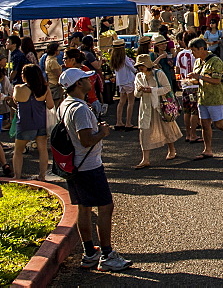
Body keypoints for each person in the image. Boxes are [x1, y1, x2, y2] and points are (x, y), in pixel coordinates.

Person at [58, 67, 133, 271]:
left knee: (84, 207)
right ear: (78, 84)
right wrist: (102, 132)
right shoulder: (80, 109)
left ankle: (90, 252)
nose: (90, 81)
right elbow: (85, 140)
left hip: (74, 165)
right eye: (85, 79)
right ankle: (107, 254)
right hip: (89, 166)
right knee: (106, 206)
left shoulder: (65, 105)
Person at [187, 38, 223, 160]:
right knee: (204, 124)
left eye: (194, 50)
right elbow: (198, 79)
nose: (192, 54)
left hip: (216, 97)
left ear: (202, 49)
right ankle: (207, 149)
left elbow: (216, 81)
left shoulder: (215, 61)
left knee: (219, 124)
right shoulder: (198, 61)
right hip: (202, 97)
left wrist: (199, 77)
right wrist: (190, 80)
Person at [131, 54, 182, 169]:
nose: (140, 68)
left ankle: (172, 149)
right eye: (139, 66)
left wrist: (152, 90)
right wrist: (139, 90)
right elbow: (136, 94)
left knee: (166, 127)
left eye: (142, 66)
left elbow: (167, 88)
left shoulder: (158, 73)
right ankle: (145, 159)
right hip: (146, 107)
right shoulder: (139, 76)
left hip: (160, 105)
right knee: (144, 131)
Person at [12, 64, 54, 180]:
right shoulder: (44, 89)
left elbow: (15, 101)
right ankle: (42, 175)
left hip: (25, 124)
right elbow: (51, 105)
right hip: (41, 123)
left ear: (25, 76)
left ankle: (17, 176)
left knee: (18, 151)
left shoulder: (18, 88)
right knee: (43, 150)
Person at [174, 33, 200, 143]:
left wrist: (179, 81)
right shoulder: (195, 53)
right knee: (194, 111)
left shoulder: (180, 54)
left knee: (186, 110)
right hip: (194, 84)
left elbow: (177, 70)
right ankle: (193, 134)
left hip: (185, 84)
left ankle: (188, 134)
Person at [110, 39, 137, 130]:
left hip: (120, 82)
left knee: (121, 102)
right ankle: (128, 123)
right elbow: (132, 68)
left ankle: (119, 121)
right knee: (130, 102)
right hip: (128, 81)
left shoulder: (114, 58)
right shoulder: (124, 58)